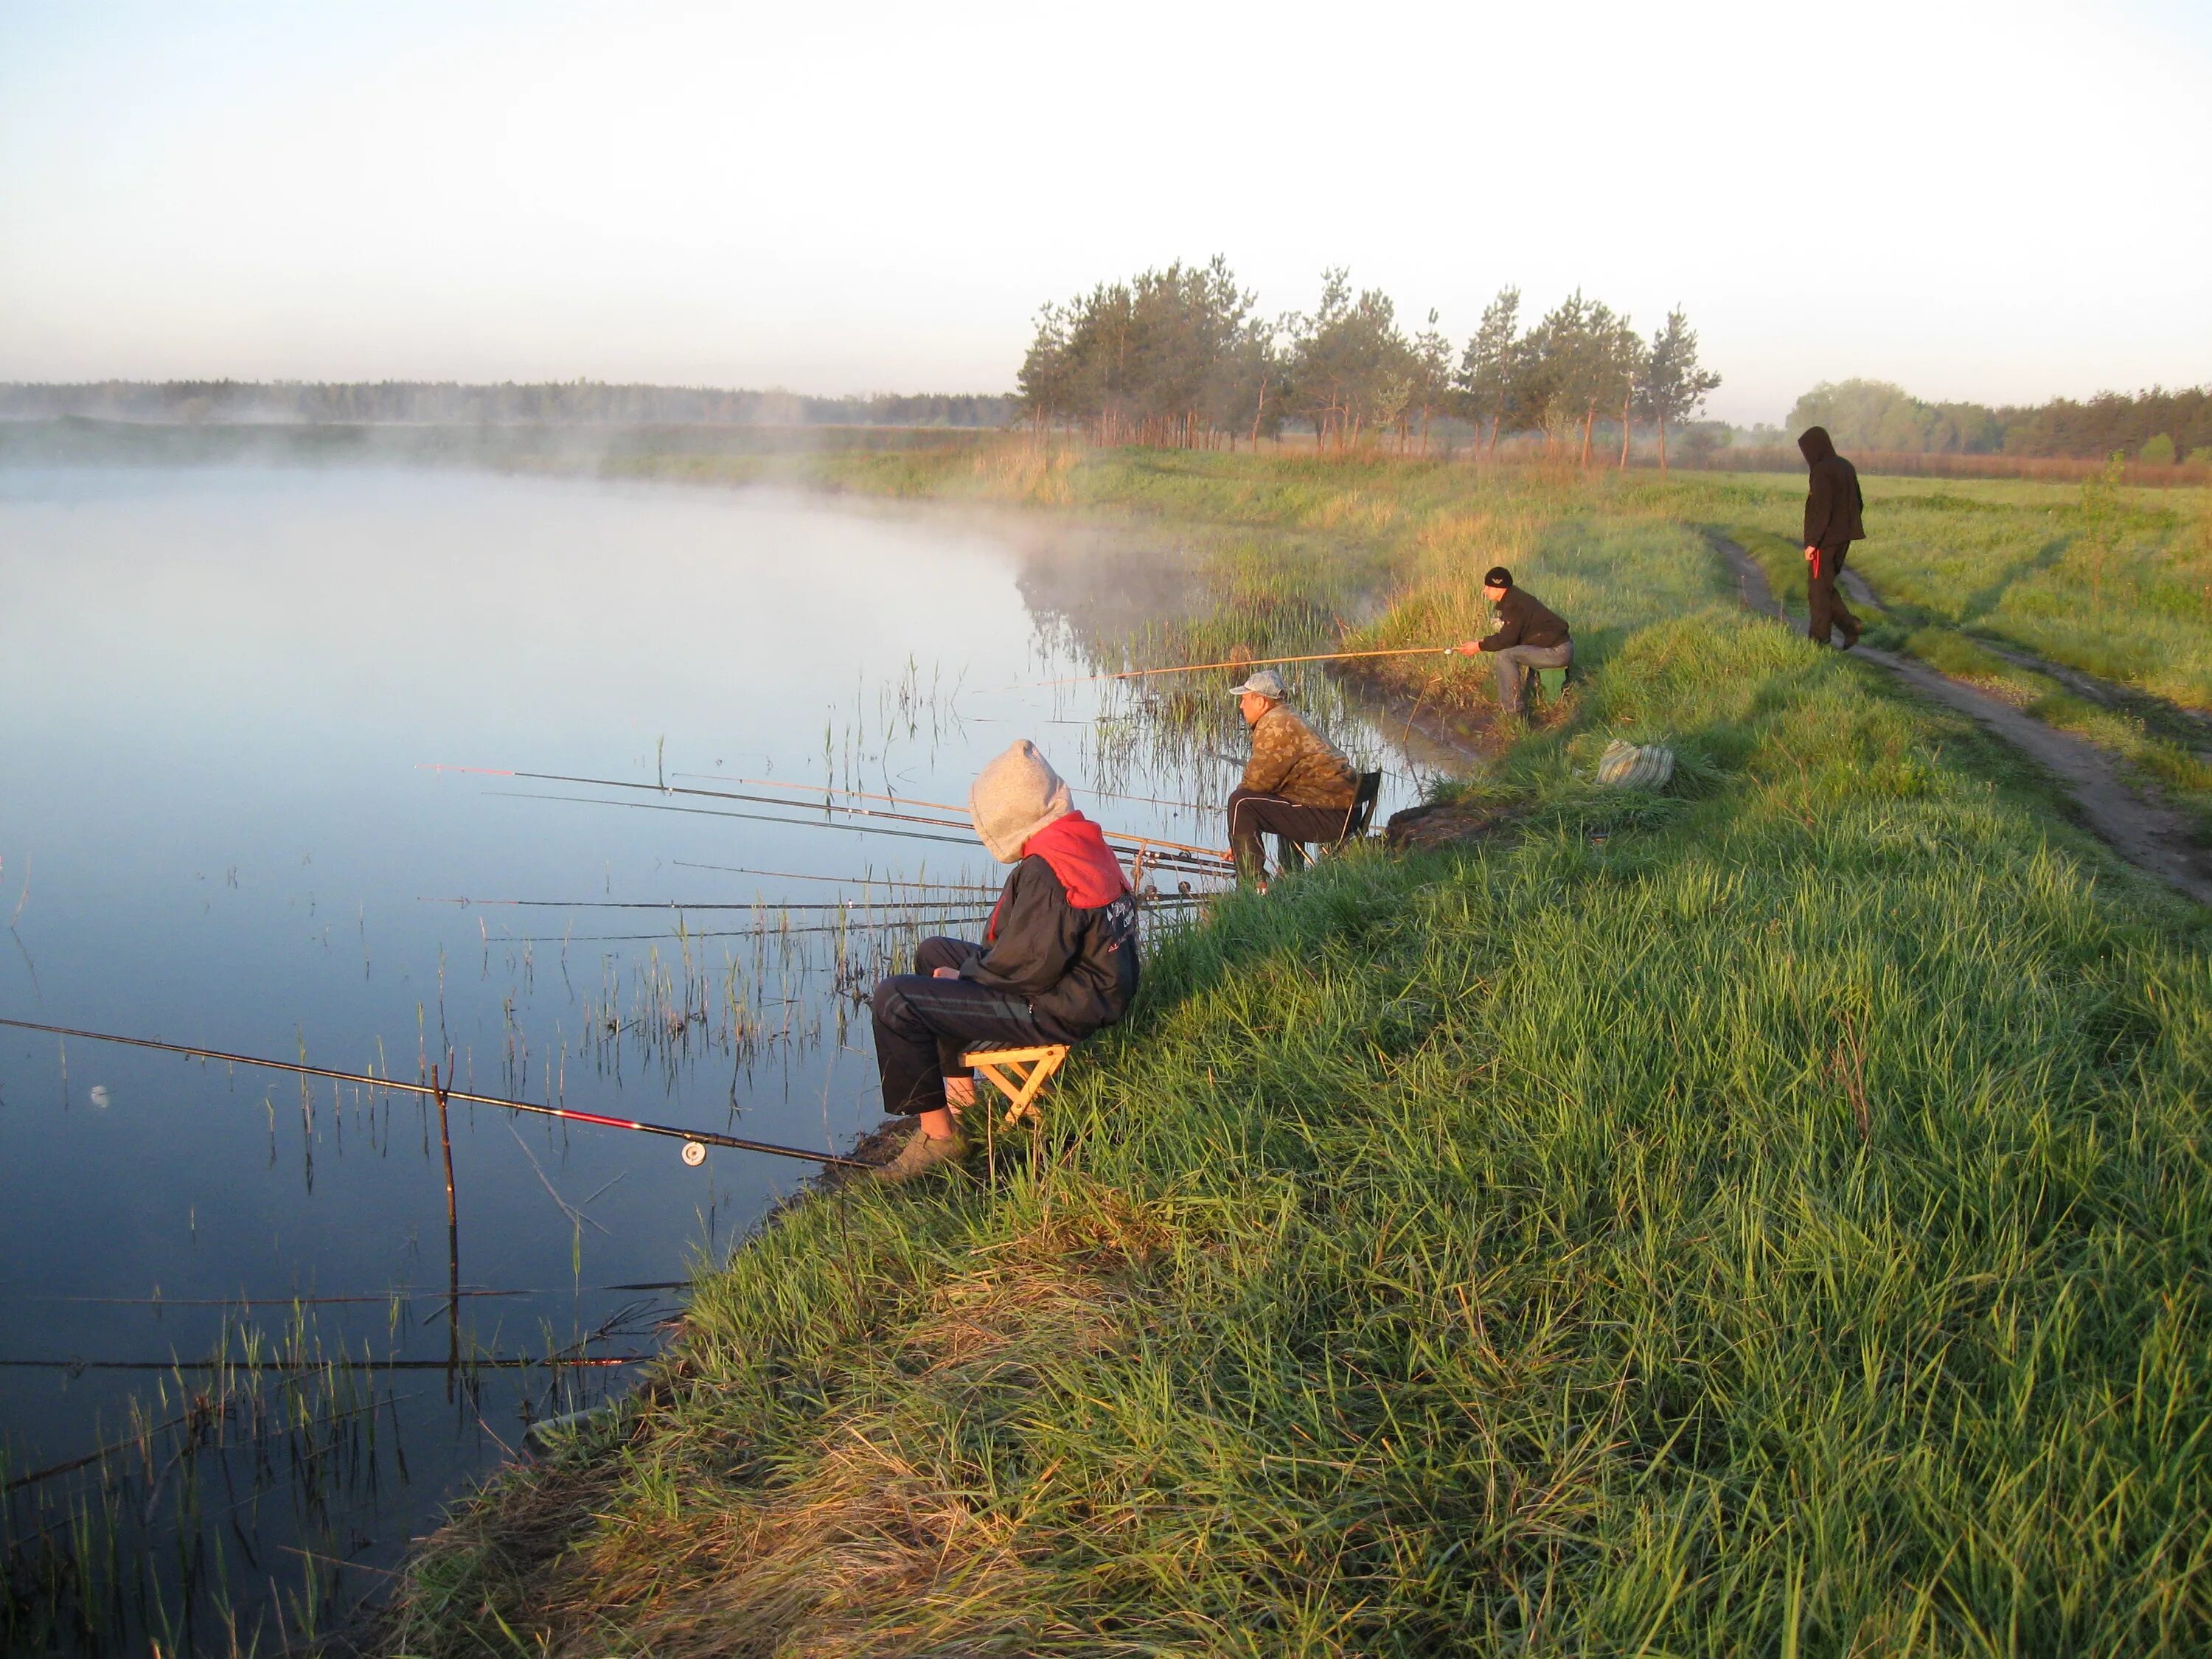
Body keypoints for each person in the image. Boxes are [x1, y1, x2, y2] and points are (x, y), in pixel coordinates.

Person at [866, 740, 1138, 1182]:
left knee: (895, 1000)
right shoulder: (1079, 839)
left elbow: (1027, 967)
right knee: (933, 950)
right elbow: (1040, 950)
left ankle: (940, 1140)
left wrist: (966, 975)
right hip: (1089, 989)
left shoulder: (1048, 872)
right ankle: (959, 1096)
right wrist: (961, 972)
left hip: (1059, 1007)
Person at [1224, 667, 1360, 885]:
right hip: (1338, 811)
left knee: (1240, 802)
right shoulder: (1287, 716)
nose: (1241, 705)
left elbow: (1256, 782)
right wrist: (1240, 835)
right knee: (1279, 798)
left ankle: (1253, 888)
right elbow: (1270, 784)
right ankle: (1291, 876)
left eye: (1245, 699)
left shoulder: (1276, 724)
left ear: (1261, 702)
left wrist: (1238, 832)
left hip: (1330, 817)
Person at [1453, 566, 1571, 717]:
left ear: (1499, 587)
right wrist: (1482, 642)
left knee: (1505, 656)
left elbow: (1507, 640)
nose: (1485, 590)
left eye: (1488, 587)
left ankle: (1513, 712)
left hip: (1557, 652)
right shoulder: (1514, 599)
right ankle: (1518, 702)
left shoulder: (1515, 605)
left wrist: (1478, 646)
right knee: (1506, 652)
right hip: (1554, 647)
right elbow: (1511, 635)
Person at [1799, 425, 1866, 648]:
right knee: (1825, 585)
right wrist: (1845, 528)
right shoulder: (1846, 466)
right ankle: (1850, 626)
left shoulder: (1821, 471)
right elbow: (1858, 502)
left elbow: (1822, 509)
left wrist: (1812, 543)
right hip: (1844, 538)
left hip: (1825, 541)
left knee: (1817, 591)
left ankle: (1819, 640)